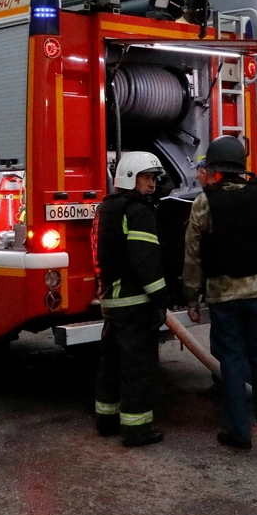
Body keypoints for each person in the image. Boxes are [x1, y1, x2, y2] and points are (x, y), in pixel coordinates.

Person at [183, 136, 257, 450]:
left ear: (215, 168)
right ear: (241, 166)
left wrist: (191, 296)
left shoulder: (203, 202)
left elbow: (193, 255)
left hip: (224, 299)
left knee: (232, 365)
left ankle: (237, 433)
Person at [92, 151, 169, 447]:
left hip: (111, 302)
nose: (151, 184)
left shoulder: (106, 208)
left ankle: (106, 420)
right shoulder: (139, 211)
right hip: (135, 303)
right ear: (128, 178)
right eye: (146, 177)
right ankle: (137, 430)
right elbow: (145, 260)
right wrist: (161, 298)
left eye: (153, 178)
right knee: (138, 368)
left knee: (109, 364)